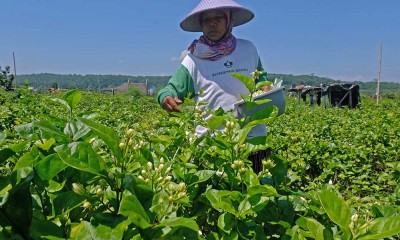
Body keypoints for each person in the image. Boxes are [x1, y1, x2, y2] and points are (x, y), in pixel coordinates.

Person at [157, 0, 270, 173]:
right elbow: (171, 88)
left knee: (259, 192)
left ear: (229, 20)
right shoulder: (193, 59)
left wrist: (265, 89)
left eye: (218, 17)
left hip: (252, 139)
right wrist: (165, 97)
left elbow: (262, 79)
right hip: (213, 144)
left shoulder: (248, 49)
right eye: (206, 20)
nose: (212, 23)